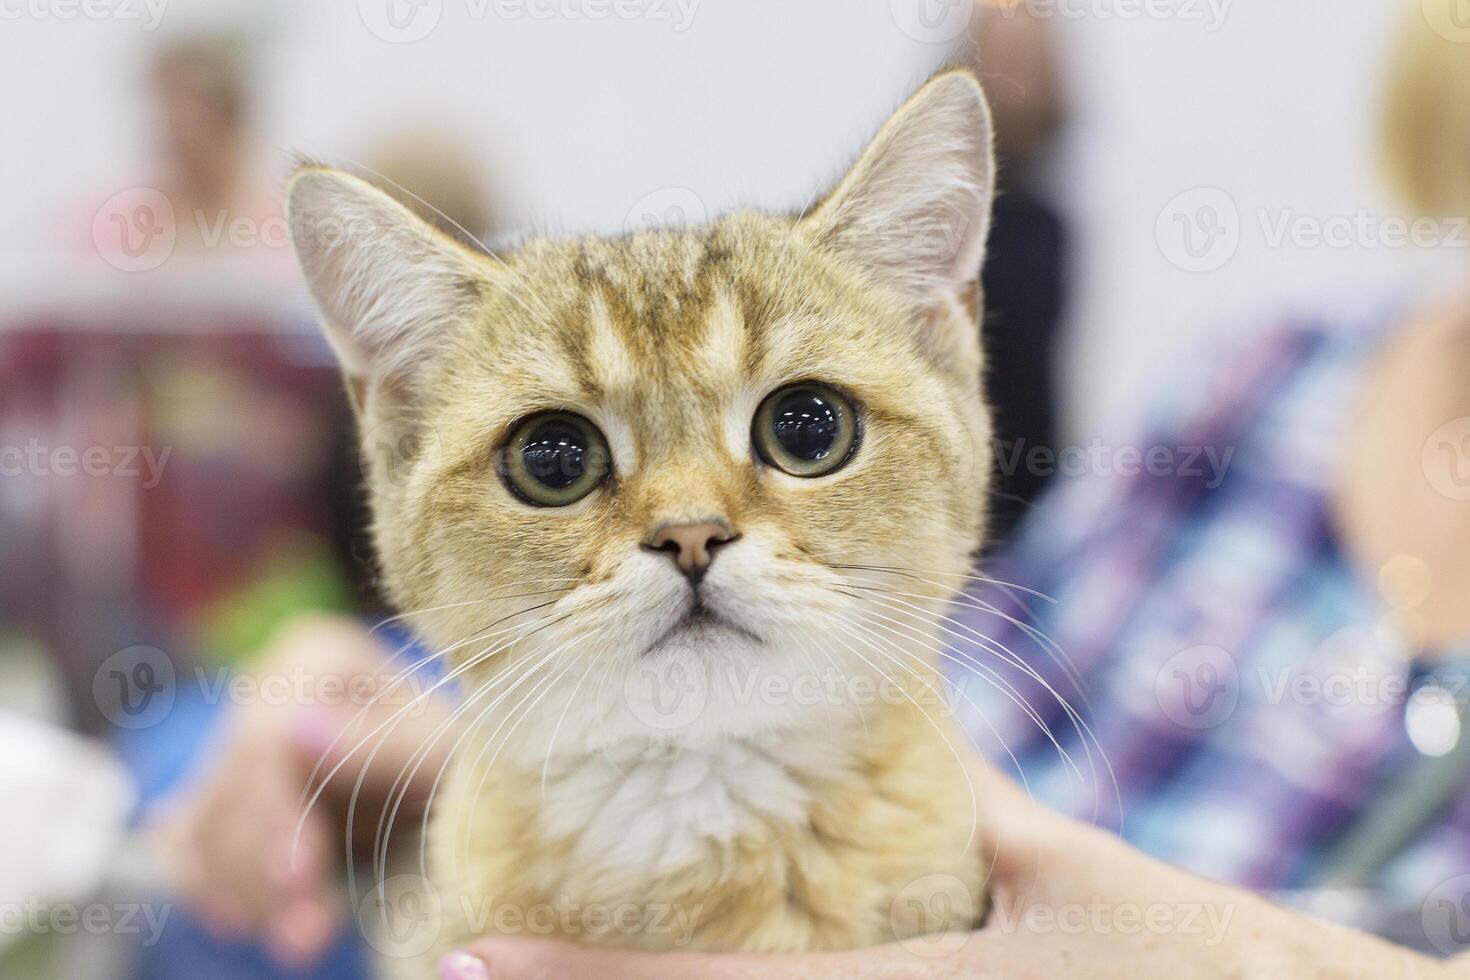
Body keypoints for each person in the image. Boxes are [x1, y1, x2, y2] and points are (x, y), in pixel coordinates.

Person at [428, 1, 1470, 975]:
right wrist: (438, 721)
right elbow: (984, 651)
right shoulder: (1265, 372)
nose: (689, 525)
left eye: (801, 430)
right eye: (561, 459)